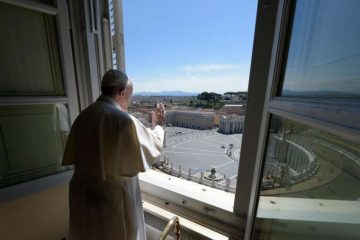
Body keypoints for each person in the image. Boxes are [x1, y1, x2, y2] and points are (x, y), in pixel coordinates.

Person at [62, 69, 165, 240]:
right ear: (122, 92)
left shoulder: (84, 115)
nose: (129, 103)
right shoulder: (123, 120)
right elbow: (153, 145)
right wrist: (157, 124)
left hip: (82, 192)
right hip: (110, 200)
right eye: (129, 98)